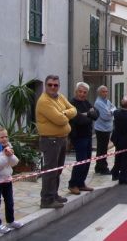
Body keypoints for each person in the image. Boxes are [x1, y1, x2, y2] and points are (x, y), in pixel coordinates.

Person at [36, 74, 77, 209]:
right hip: (50, 140)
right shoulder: (44, 101)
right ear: (45, 86)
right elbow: (60, 120)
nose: (53, 87)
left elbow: (74, 110)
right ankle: (47, 199)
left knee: (58, 170)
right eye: (50, 85)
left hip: (61, 138)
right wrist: (65, 114)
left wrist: (63, 113)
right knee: (50, 170)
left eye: (56, 85)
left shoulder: (60, 97)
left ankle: (54, 194)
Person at [68, 82, 99, 195]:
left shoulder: (86, 103)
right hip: (78, 136)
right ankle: (73, 184)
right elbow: (78, 120)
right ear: (76, 91)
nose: (82, 94)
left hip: (88, 135)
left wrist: (87, 115)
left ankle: (81, 183)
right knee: (81, 161)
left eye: (84, 92)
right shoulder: (72, 104)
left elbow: (96, 115)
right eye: (80, 91)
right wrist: (88, 116)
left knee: (87, 160)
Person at [0, 127, 23, 233]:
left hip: (7, 180)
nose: (4, 139)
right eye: (1, 137)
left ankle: (11, 221)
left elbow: (14, 163)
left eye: (6, 136)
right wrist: (5, 155)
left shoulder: (8, 147)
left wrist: (11, 155)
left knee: (9, 202)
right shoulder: (2, 151)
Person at [110, 98, 127, 185]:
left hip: (117, 139)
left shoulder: (116, 113)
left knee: (118, 157)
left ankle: (115, 174)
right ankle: (123, 178)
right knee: (125, 160)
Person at [94, 85, 116, 175]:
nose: (105, 93)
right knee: (102, 149)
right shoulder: (98, 103)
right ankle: (103, 168)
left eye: (106, 91)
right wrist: (111, 112)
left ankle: (98, 167)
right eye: (103, 91)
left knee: (102, 149)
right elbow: (105, 116)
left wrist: (110, 111)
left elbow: (114, 108)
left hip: (107, 129)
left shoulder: (107, 101)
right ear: (99, 92)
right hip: (101, 129)